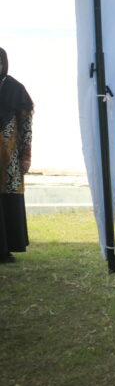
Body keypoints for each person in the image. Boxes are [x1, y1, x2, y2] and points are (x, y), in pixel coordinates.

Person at [0, 48, 33, 264]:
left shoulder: (15, 89)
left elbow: (26, 125)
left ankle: (6, 249)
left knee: (7, 202)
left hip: (8, 160)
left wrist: (25, 155)